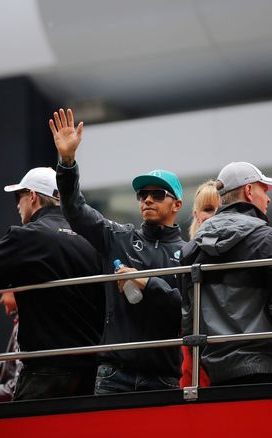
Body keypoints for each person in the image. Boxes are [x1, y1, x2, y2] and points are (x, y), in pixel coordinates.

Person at [50, 108, 185, 393]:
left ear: (177, 205)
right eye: (142, 194)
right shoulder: (119, 237)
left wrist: (147, 283)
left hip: (162, 378)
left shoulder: (188, 252)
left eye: (157, 194)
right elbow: (75, 211)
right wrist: (68, 162)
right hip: (114, 376)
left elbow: (187, 310)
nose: (147, 199)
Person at [0, 167, 105, 400]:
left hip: (45, 372)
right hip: (92, 371)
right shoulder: (90, 237)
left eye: (19, 197)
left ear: (33, 196)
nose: (17, 205)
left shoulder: (26, 236)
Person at [181, 162, 272, 385]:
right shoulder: (269, 239)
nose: (268, 199)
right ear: (249, 191)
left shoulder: (192, 248)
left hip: (215, 371)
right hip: (266, 367)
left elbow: (188, 320)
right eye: (264, 190)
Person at [181, 180, 219, 388]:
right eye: (207, 209)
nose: (213, 216)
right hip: (194, 353)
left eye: (219, 210)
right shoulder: (185, 255)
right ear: (196, 215)